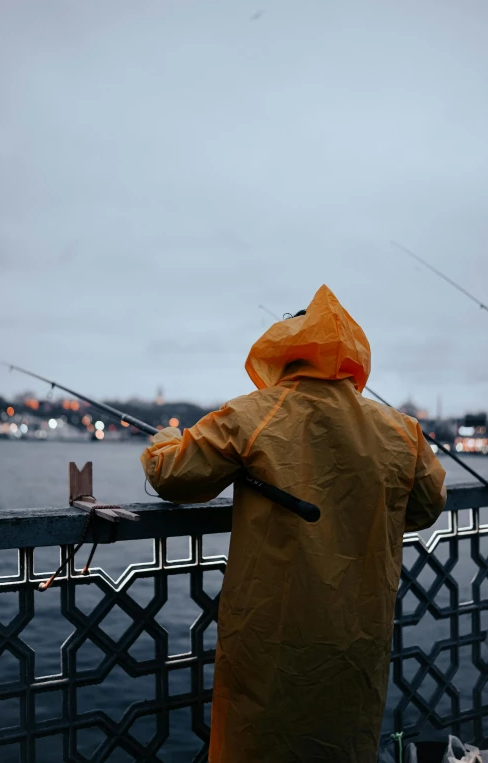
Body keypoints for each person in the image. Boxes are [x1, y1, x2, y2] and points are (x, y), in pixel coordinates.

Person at [141, 284, 446, 763]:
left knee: (259, 742)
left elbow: (174, 476)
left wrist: (164, 439)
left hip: (271, 634)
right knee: (344, 738)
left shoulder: (254, 415)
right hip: (358, 634)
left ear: (283, 351)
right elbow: (427, 505)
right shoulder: (400, 431)